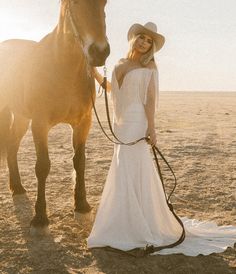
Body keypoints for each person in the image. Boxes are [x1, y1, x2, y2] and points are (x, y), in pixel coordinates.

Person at [87, 22, 236, 256]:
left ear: (152, 47)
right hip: (121, 124)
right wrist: (95, 74)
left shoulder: (151, 68)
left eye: (149, 42)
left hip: (137, 122)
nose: (145, 44)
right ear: (134, 39)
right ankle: (123, 220)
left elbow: (149, 100)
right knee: (121, 167)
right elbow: (113, 90)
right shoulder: (120, 63)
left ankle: (141, 223)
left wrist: (152, 129)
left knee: (134, 167)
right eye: (142, 38)